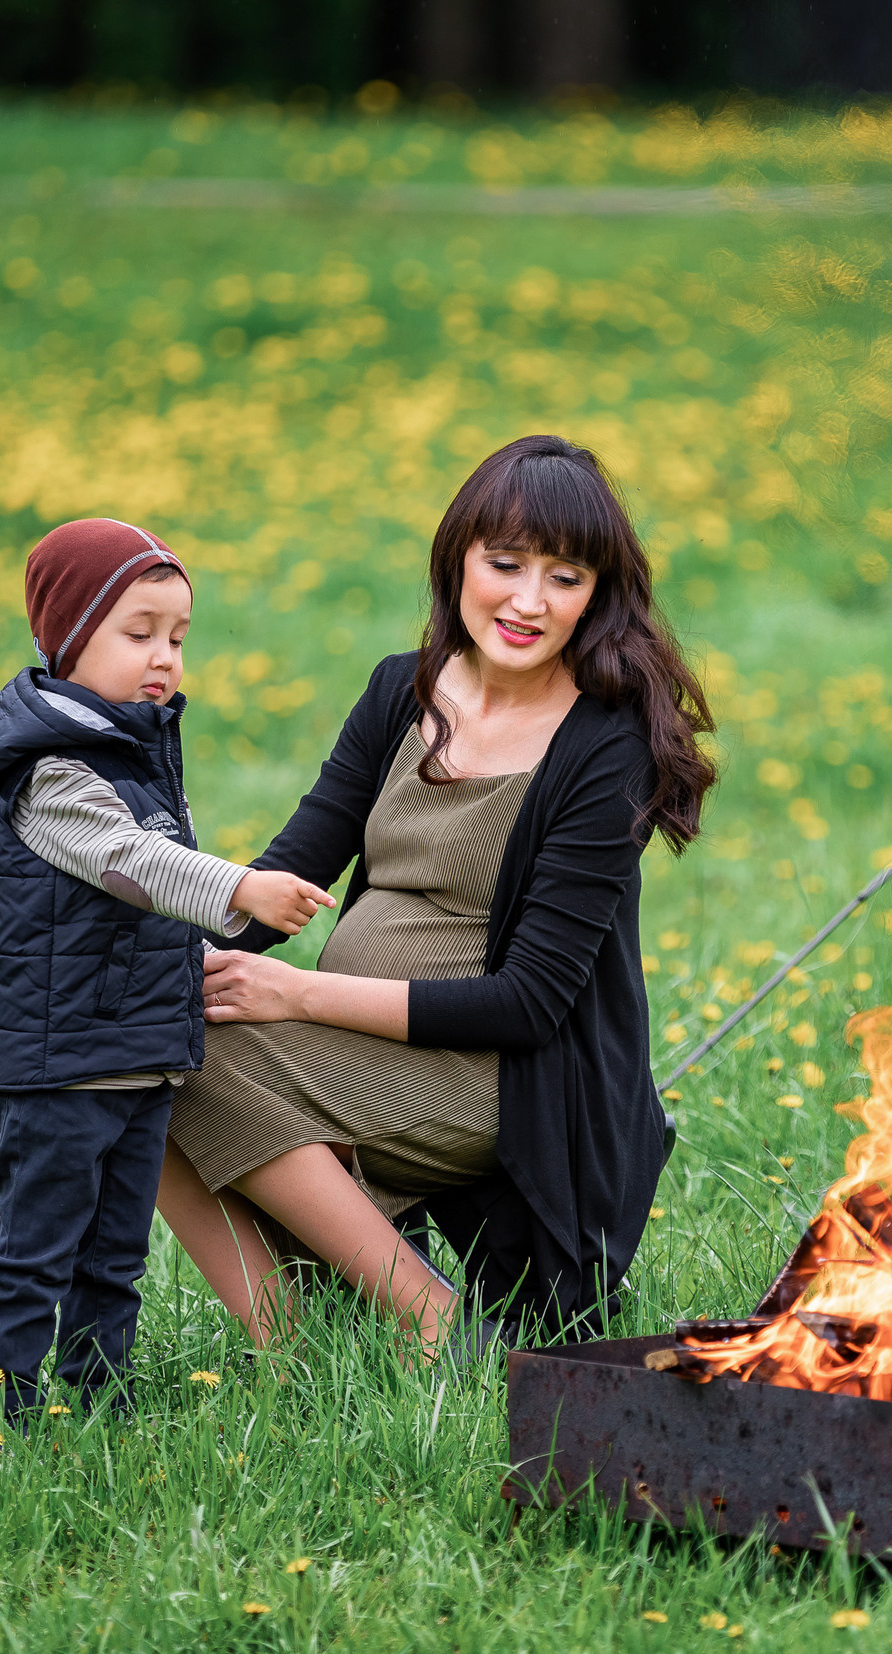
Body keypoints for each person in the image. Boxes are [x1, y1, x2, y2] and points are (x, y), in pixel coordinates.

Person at [154, 436, 716, 1353]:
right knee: (136, 1036)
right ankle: (297, 1342)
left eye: (565, 578)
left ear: (598, 594)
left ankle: (435, 1326)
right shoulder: (401, 689)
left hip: (504, 1080)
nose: (529, 601)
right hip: (358, 1045)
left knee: (197, 1065)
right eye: (505, 564)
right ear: (458, 557)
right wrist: (156, 962)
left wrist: (294, 994)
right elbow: (290, 866)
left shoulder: (604, 746)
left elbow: (530, 1004)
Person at [0, 519, 334, 1414]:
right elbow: (136, 865)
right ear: (66, 638)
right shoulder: (51, 769)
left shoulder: (136, 747)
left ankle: (98, 1397)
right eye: (138, 633)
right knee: (39, 1244)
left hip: (136, 1054)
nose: (164, 657)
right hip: (63, 1060)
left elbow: (135, 905)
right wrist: (242, 890)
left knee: (117, 1252)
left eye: (178, 636)